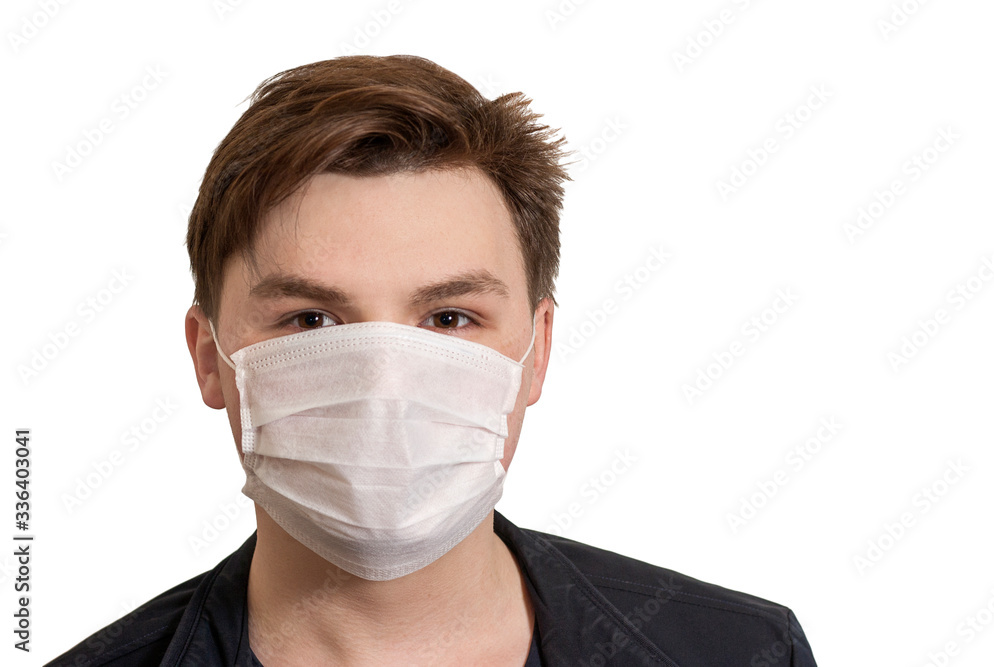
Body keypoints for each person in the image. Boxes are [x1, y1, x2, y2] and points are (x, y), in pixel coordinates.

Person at [47, 54, 817, 666]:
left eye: (449, 318)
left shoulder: (741, 652)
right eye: (311, 320)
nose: (385, 381)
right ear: (209, 358)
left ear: (537, 351)